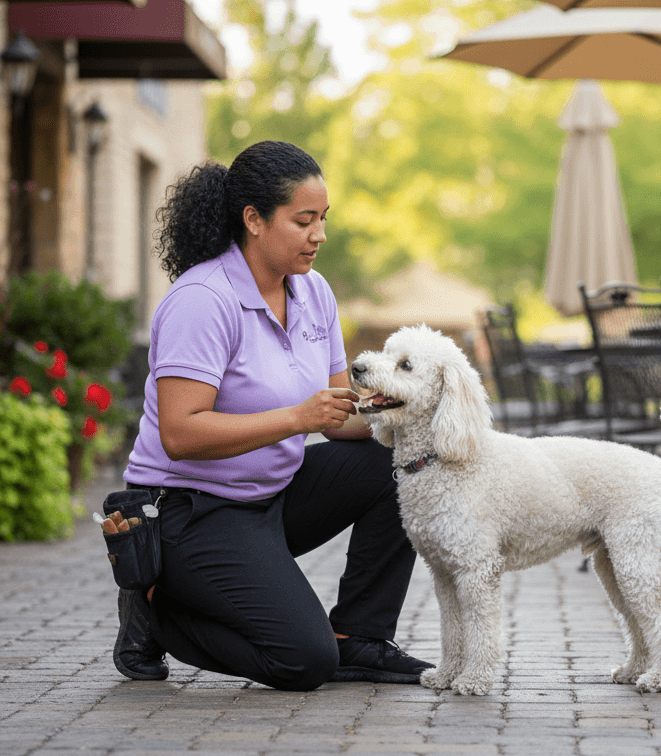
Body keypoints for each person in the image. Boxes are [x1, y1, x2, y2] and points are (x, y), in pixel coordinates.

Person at [115, 140, 433, 690]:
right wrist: (294, 419)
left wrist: (404, 412)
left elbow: (338, 414)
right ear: (254, 220)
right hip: (188, 511)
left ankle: (358, 637)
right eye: (304, 220)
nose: (320, 235)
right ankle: (155, 609)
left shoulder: (314, 293)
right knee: (303, 661)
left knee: (402, 465)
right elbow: (180, 432)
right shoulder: (203, 300)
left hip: (273, 496)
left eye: (323, 219)